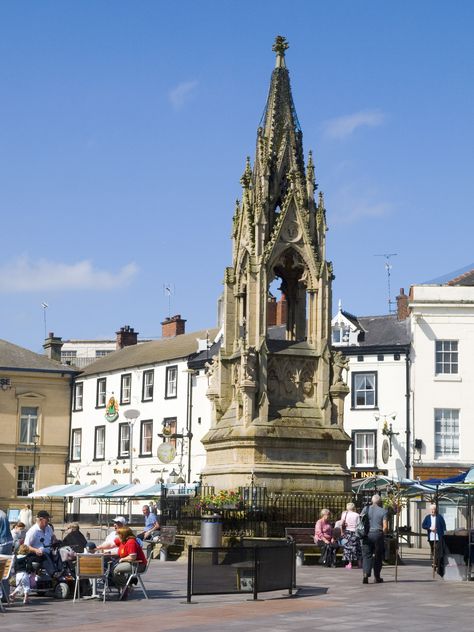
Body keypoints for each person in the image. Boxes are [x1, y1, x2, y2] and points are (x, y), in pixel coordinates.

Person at [361, 494, 388, 584]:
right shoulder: (383, 511)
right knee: (378, 556)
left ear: (372, 501)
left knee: (366, 555)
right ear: (380, 502)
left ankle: (366, 573)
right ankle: (377, 577)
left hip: (367, 534)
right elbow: (385, 527)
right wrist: (383, 534)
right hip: (377, 534)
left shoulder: (366, 509)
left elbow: (360, 521)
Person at [112, 527, 147, 599]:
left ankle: (125, 587)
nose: (118, 537)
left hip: (138, 565)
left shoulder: (131, 542)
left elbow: (133, 557)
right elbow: (111, 544)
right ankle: (124, 588)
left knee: (114, 569)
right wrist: (98, 548)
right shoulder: (124, 541)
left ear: (123, 535)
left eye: (119, 535)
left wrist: (122, 559)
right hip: (132, 563)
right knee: (113, 567)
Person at [24, 510, 57, 577]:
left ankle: (61, 570)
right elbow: (26, 546)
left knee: (60, 552)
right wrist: (36, 550)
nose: (48, 521)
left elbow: (53, 536)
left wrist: (54, 539)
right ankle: (53, 573)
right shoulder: (33, 531)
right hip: (36, 554)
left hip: (49, 551)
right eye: (47, 519)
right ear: (40, 519)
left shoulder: (48, 528)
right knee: (44, 554)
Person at [422, 503, 447, 577]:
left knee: (437, 549)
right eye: (431, 510)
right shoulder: (427, 517)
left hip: (438, 537)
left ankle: (435, 563)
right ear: (430, 510)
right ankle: (435, 563)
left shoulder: (439, 517)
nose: (432, 511)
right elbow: (423, 525)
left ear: (436, 510)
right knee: (433, 550)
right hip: (431, 537)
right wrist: (430, 528)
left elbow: (444, 526)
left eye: (434, 509)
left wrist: (444, 534)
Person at [339, 502, 362, 569]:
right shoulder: (357, 515)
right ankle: (359, 563)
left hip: (348, 532)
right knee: (357, 547)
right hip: (355, 533)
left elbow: (341, 524)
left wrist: (341, 532)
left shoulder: (344, 514)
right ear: (354, 507)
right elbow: (359, 525)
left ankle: (349, 563)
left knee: (348, 548)